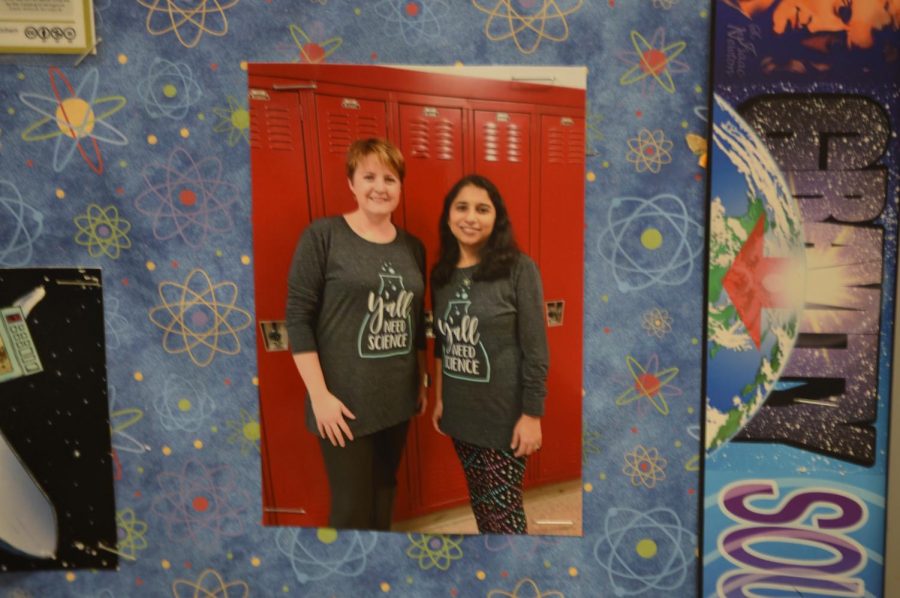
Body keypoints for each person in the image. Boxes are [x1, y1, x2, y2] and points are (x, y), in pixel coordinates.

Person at [285, 138, 428, 530]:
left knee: (385, 490)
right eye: (369, 176)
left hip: (398, 398)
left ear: (400, 186)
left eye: (390, 178)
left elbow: (417, 321)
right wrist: (319, 397)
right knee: (351, 510)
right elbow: (298, 319)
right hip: (342, 404)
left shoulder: (412, 247)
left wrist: (422, 378)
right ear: (351, 183)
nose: (380, 187)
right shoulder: (324, 237)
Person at [430, 174, 549, 534]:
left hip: (504, 420)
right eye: (462, 207)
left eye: (483, 209)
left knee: (505, 516)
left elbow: (536, 350)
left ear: (496, 218)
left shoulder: (518, 269)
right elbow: (442, 342)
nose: (471, 217)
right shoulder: (443, 275)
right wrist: (438, 399)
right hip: (460, 414)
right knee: (481, 506)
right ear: (449, 216)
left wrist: (532, 415)